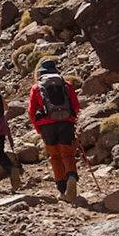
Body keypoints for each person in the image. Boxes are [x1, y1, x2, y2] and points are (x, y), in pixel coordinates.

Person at [26, 58, 82, 200]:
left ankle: (62, 190)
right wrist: (72, 119)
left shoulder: (37, 87)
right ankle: (71, 176)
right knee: (68, 154)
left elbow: (31, 111)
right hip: (66, 122)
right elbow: (75, 105)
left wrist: (38, 128)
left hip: (46, 125)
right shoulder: (67, 85)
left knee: (55, 156)